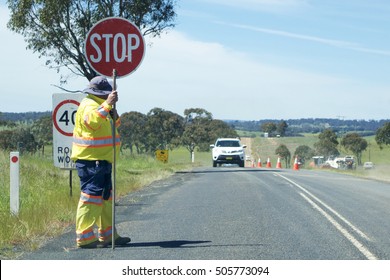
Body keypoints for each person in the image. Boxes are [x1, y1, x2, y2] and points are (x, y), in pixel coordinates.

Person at [71, 76, 130, 249]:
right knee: (91, 198)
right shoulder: (89, 105)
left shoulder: (102, 105)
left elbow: (115, 124)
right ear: (100, 93)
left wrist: (112, 110)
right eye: (106, 94)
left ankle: (108, 235)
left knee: (105, 198)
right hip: (91, 161)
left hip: (103, 159)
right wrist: (107, 104)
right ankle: (85, 237)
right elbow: (93, 123)